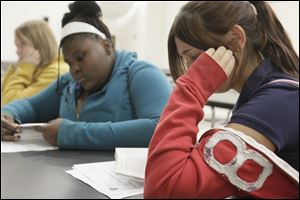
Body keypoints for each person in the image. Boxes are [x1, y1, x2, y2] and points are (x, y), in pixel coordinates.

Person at [144, 1, 299, 199]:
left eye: (194, 57)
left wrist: (192, 88)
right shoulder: (266, 93)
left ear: (235, 39)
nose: (191, 69)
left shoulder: (277, 102)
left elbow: (164, 190)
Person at [1, 1, 172, 149]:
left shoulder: (141, 73)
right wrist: (7, 115)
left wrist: (72, 134)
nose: (74, 68)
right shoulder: (68, 83)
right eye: (68, 62)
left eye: (80, 57)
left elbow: (161, 128)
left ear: (106, 46)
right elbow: (31, 106)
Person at [1, 20, 69, 106]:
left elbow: (10, 103)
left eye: (22, 44)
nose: (17, 51)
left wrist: (25, 68)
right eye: (16, 45)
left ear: (40, 44)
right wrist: (14, 68)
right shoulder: (35, 67)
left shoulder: (56, 72)